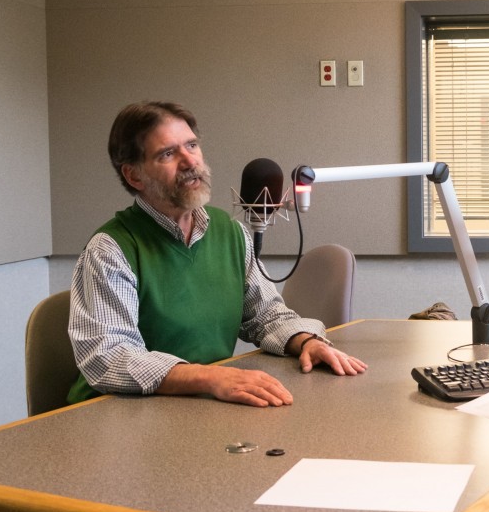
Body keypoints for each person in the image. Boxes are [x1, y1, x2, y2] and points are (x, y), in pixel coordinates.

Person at [68, 101, 367, 408]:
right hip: (115, 415)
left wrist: (306, 342)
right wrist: (209, 378)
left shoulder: (230, 232)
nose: (189, 161)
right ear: (134, 176)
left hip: (200, 404)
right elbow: (108, 357)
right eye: (168, 154)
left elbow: (265, 316)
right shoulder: (111, 248)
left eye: (192, 145)